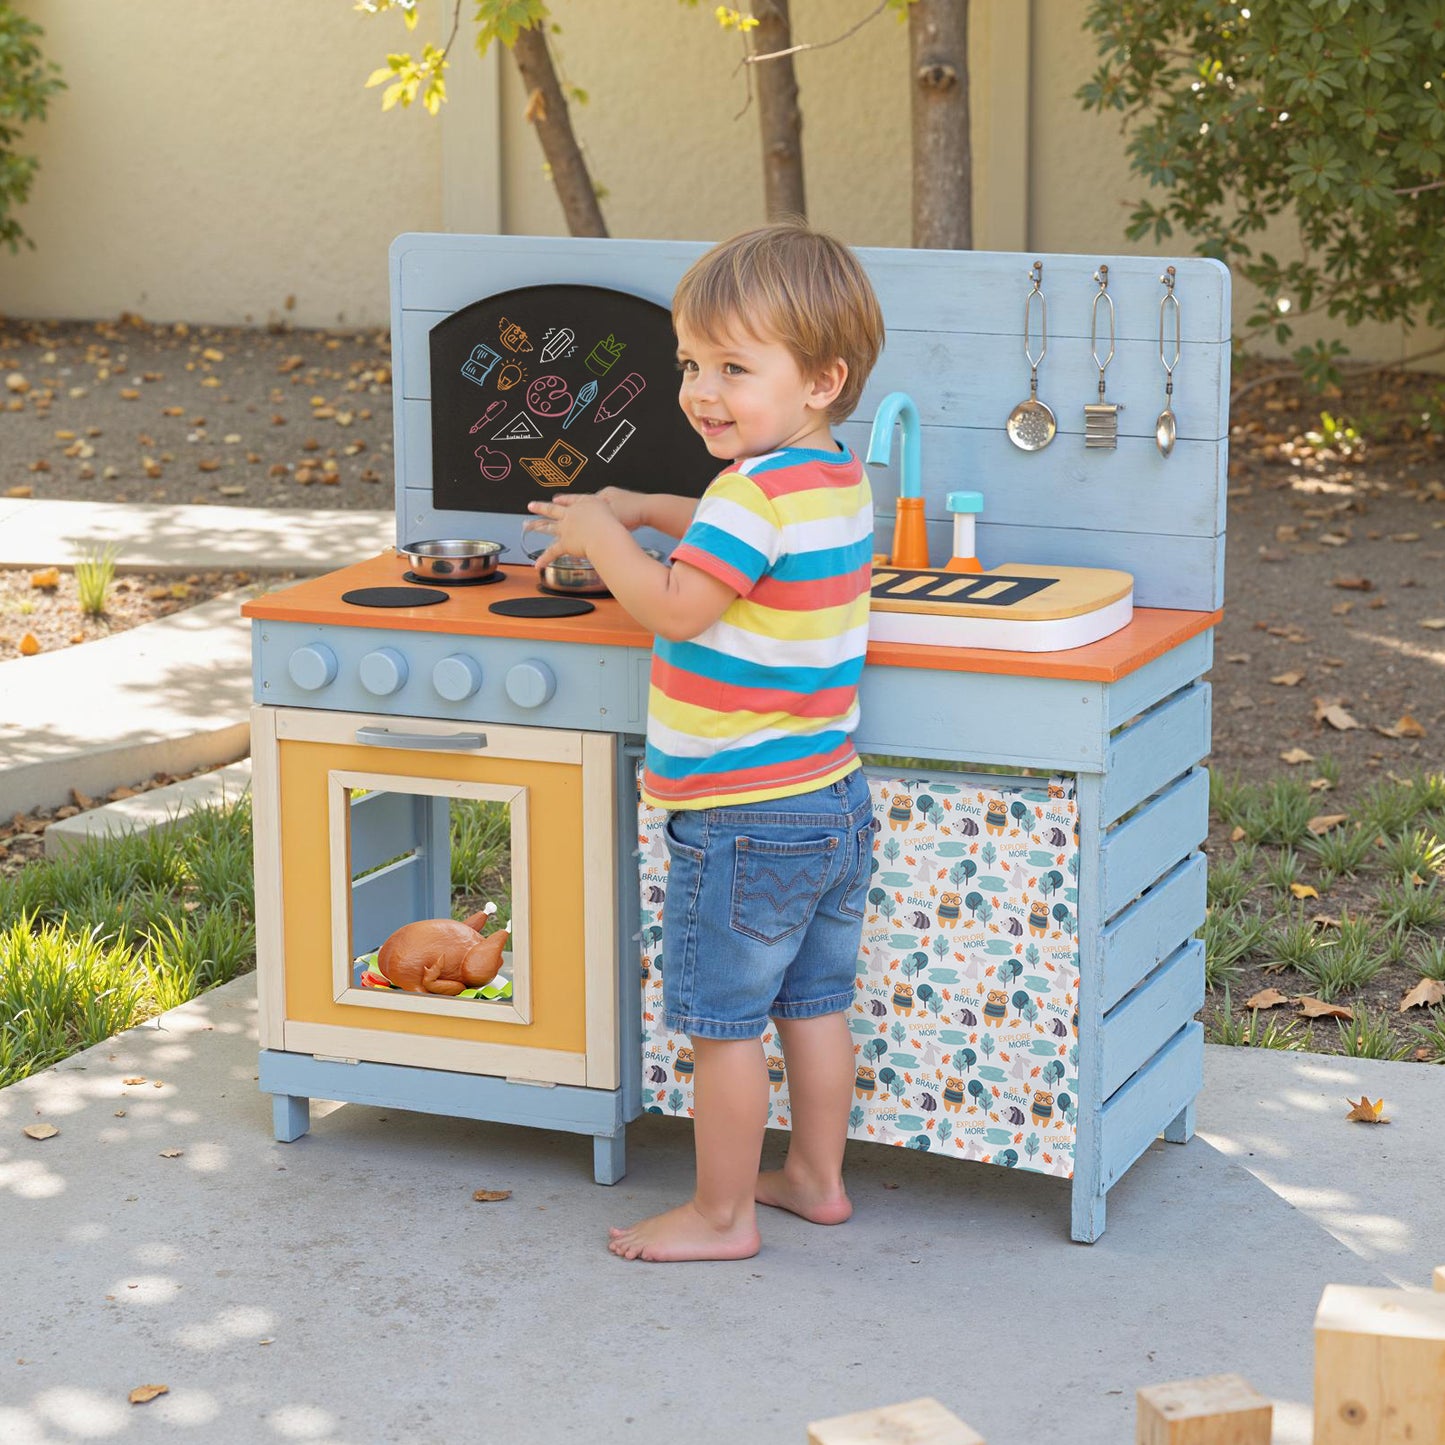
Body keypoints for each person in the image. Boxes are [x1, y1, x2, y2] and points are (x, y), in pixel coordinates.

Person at [527, 220, 884, 1262]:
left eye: (733, 366)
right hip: (828, 801)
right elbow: (741, 530)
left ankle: (720, 1215)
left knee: (724, 1026)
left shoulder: (747, 493)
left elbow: (679, 607)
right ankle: (815, 1178)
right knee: (813, 1005)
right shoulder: (829, 476)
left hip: (736, 818)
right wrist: (647, 503)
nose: (700, 389)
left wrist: (605, 535)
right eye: (690, 362)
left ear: (822, 378)